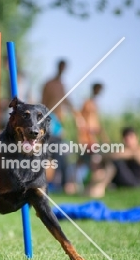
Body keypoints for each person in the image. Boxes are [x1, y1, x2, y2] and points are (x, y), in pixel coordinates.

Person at [41, 59, 77, 193]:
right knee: (52, 155)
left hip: (57, 125)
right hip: (49, 122)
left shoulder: (62, 85)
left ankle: (65, 183)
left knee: (61, 153)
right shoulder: (49, 84)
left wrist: (76, 116)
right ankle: (63, 183)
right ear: (58, 67)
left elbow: (67, 101)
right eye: (62, 67)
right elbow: (44, 103)